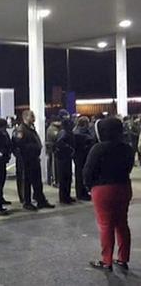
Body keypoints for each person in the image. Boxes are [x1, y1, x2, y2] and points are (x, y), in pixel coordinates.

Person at [84, 117, 134, 272]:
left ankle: (107, 261)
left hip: (103, 190)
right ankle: (123, 258)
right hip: (124, 186)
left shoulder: (98, 148)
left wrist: (88, 186)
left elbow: (88, 170)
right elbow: (129, 167)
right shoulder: (127, 148)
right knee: (122, 224)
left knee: (106, 225)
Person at [12, 110, 55, 211]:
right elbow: (18, 145)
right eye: (32, 116)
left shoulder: (31, 129)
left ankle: (40, 200)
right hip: (26, 160)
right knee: (26, 182)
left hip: (34, 159)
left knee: (37, 181)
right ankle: (26, 202)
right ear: (25, 117)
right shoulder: (21, 130)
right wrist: (28, 151)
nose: (34, 118)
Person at [54, 111, 76, 204]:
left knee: (68, 177)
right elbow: (60, 143)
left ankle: (67, 196)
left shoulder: (64, 131)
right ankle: (64, 197)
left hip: (66, 157)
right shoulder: (64, 132)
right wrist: (69, 148)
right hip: (63, 158)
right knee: (64, 178)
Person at [73, 116, 94, 201]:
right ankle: (81, 193)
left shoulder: (75, 131)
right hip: (81, 156)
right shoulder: (81, 133)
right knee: (81, 175)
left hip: (79, 156)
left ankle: (82, 192)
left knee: (80, 175)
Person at [45, 115, 62, 186]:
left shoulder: (55, 128)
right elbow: (57, 137)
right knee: (53, 166)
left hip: (54, 150)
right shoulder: (52, 129)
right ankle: (54, 181)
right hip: (52, 150)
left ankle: (54, 180)